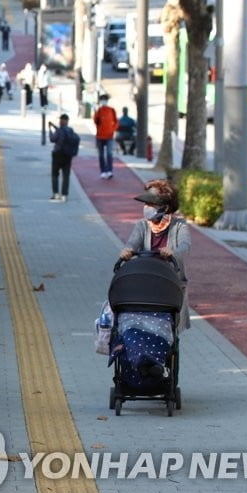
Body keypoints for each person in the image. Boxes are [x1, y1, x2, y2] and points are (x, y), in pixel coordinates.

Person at [120, 179, 191, 330]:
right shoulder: (142, 226)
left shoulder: (179, 225)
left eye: (152, 204)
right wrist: (127, 251)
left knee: (170, 327)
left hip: (169, 282)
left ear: (165, 207)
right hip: (147, 281)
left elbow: (185, 245)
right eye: (146, 204)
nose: (147, 208)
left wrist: (173, 252)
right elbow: (132, 243)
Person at [48, 113, 80, 202]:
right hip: (68, 156)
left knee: (55, 174)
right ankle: (64, 195)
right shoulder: (71, 130)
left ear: (62, 121)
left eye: (60, 120)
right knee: (66, 176)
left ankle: (56, 194)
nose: (60, 121)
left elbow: (52, 139)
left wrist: (50, 130)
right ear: (68, 121)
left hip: (57, 155)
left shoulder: (59, 131)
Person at [93, 94, 118, 179]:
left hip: (109, 136)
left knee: (109, 154)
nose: (104, 101)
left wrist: (113, 129)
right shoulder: (99, 111)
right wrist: (96, 111)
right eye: (102, 100)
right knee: (101, 155)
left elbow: (116, 122)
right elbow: (95, 121)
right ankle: (103, 171)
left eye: (105, 99)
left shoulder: (112, 110)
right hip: (100, 136)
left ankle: (109, 170)